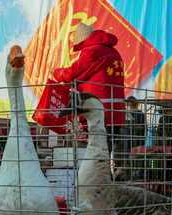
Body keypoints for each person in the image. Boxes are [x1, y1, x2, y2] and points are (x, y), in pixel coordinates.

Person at [52, 23, 126, 159]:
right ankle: (105, 178)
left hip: (99, 111)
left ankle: (94, 179)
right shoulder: (114, 52)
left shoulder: (92, 51)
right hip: (116, 112)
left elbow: (72, 73)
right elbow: (89, 72)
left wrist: (57, 73)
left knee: (95, 155)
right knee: (105, 153)